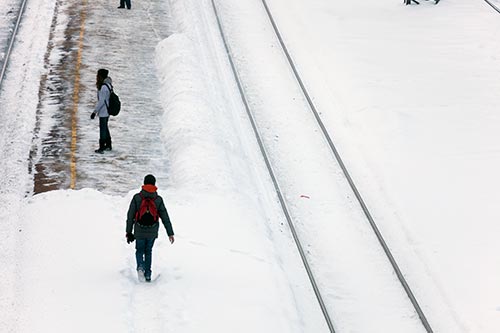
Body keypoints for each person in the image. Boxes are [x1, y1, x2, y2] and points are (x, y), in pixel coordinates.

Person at [126, 174, 175, 282]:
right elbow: (165, 217)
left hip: (139, 230)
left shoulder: (137, 198)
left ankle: (140, 267)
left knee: (139, 250)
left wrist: (128, 232)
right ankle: (148, 274)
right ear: (154, 184)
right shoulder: (158, 199)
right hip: (152, 231)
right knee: (148, 251)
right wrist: (170, 233)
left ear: (144, 183)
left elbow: (130, 216)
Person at [91, 68, 113, 154]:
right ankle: (108, 144)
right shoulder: (108, 85)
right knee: (105, 127)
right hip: (106, 111)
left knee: (103, 129)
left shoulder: (104, 87)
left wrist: (95, 111)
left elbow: (101, 101)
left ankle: (102, 147)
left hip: (104, 111)